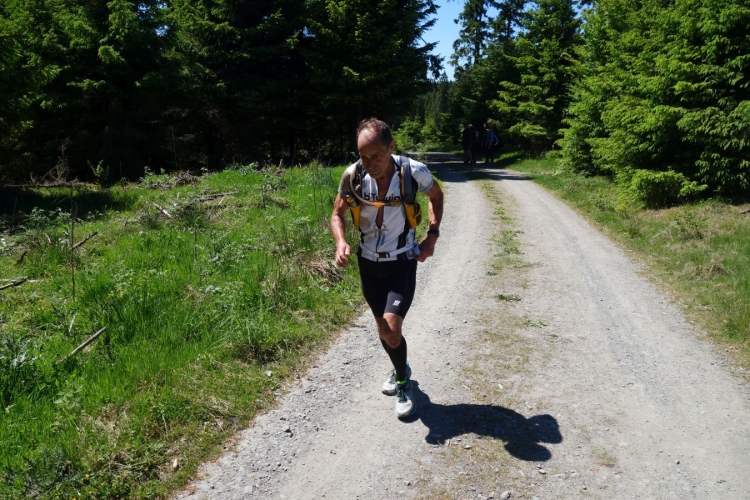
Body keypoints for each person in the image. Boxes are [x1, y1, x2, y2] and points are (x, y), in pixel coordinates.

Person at [330, 118, 444, 419]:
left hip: (402, 262)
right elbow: (337, 214)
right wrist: (340, 242)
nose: (369, 164)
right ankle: (399, 367)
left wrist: (432, 236)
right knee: (383, 329)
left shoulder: (413, 172)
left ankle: (403, 383)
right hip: (368, 263)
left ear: (391, 147)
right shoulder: (353, 176)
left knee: (392, 331)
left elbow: (436, 196)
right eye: (363, 157)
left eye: (376, 156)